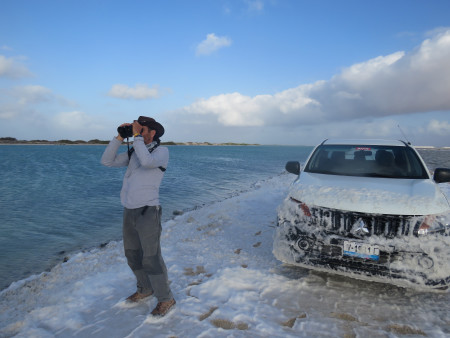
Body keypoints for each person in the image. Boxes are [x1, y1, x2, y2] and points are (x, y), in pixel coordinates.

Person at [101, 116, 175, 317]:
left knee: (152, 258)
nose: (138, 133)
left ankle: (166, 298)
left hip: (148, 211)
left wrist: (136, 137)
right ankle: (145, 289)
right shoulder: (135, 150)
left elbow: (147, 162)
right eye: (137, 130)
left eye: (142, 130)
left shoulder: (161, 152)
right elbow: (106, 161)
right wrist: (119, 137)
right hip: (129, 210)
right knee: (132, 254)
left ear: (153, 132)